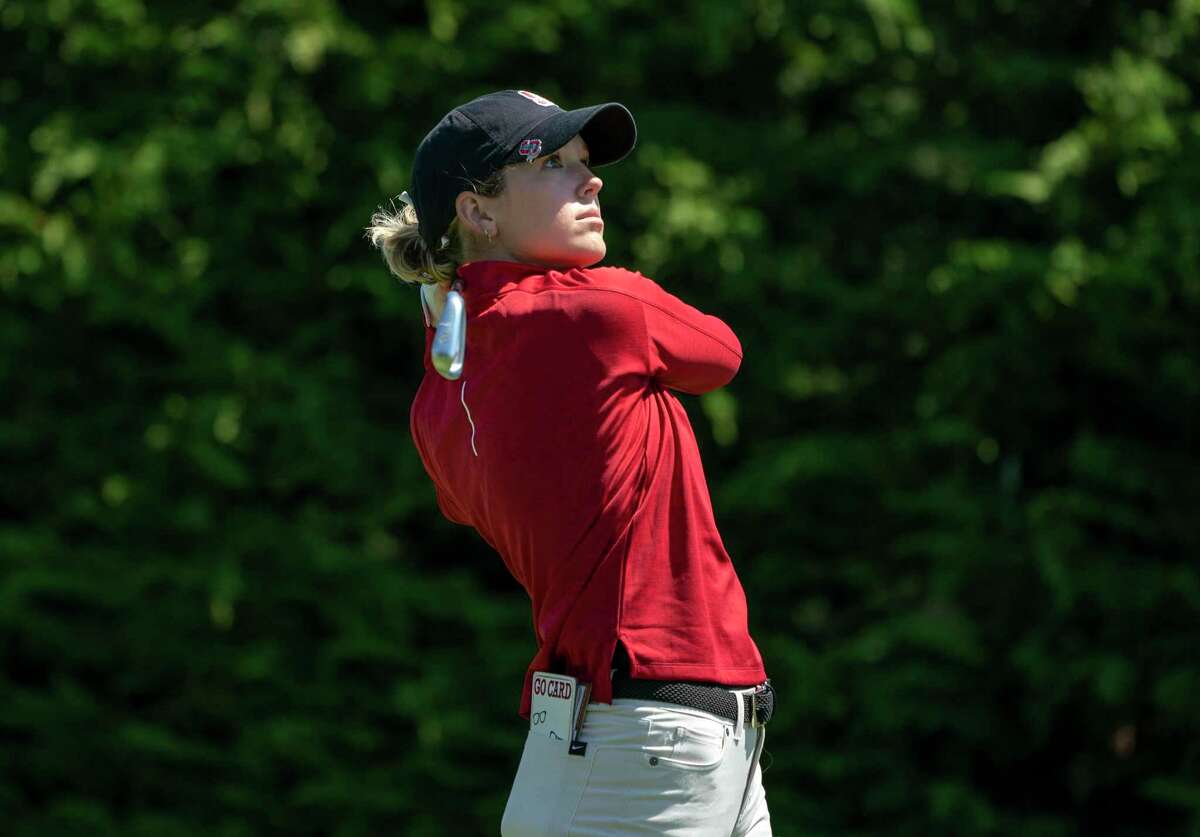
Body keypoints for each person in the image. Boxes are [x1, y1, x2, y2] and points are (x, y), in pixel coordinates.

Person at [367, 89, 774, 835]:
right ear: (478, 212)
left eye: (584, 162)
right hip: (642, 746)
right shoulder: (598, 312)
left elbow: (467, 498)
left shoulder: (436, 397)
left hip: (652, 743)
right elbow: (721, 352)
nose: (592, 180)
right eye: (553, 163)